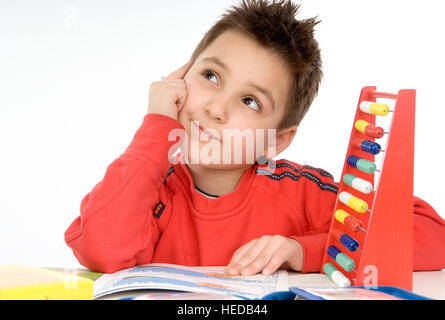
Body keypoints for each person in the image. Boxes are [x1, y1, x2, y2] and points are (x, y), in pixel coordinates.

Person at [64, 0, 445, 275]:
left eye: (250, 100)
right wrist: (156, 126)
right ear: (179, 78)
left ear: (275, 142)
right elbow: (100, 249)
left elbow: (431, 235)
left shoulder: (300, 193)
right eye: (210, 76)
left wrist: (302, 250)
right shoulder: (149, 188)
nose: (216, 108)